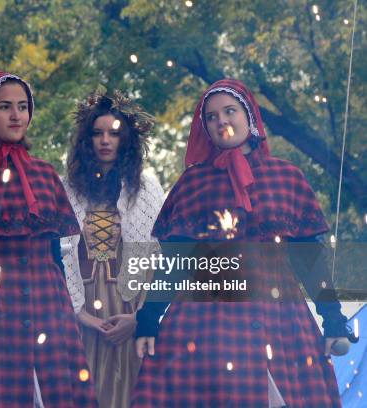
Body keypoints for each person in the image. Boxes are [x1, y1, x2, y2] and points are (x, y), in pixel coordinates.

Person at [132, 79, 352, 407]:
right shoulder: (194, 182)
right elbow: (175, 261)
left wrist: (333, 319)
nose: (222, 121)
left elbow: (309, 259)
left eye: (229, 111)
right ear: (205, 128)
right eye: (211, 117)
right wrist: (148, 319)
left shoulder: (286, 176)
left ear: (249, 116)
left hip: (279, 318)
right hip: (207, 321)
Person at [0, 69, 97, 407]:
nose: (16, 115)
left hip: (47, 304)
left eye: (23, 106)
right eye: (4, 106)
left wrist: (67, 309)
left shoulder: (44, 173)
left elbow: (57, 252)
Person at [61, 90, 164, 407]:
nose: (105, 140)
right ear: (86, 139)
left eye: (114, 133)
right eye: (97, 132)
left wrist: (138, 318)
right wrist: (82, 316)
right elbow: (59, 255)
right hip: (82, 309)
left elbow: (159, 259)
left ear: (126, 140)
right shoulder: (67, 187)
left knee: (131, 390)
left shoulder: (146, 189)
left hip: (131, 308)